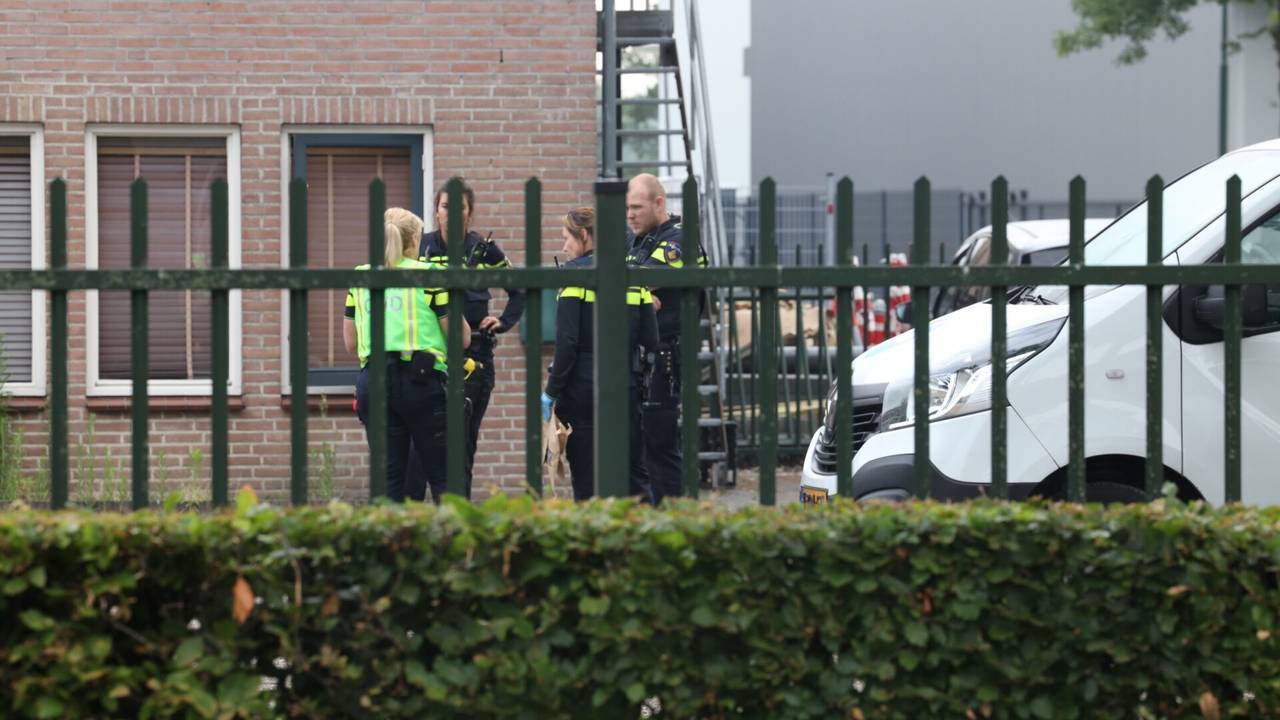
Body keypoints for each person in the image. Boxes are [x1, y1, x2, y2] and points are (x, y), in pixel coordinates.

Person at [343, 207, 469, 503]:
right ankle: (455, 545)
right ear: (414, 241)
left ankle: (391, 546)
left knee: (389, 481)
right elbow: (461, 338)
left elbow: (351, 343)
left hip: (373, 383)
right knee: (444, 477)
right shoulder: (430, 275)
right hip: (421, 383)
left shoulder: (361, 278)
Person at [412, 180, 527, 499]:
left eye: (459, 208)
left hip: (475, 359)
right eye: (446, 206)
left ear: (470, 213)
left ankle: (456, 514)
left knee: (461, 447)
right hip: (429, 358)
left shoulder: (484, 249)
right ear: (437, 211)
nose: (451, 214)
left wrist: (503, 321)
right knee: (422, 448)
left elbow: (520, 290)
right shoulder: (423, 248)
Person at [541, 207, 658, 501]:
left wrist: (551, 392)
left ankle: (595, 541)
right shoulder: (631, 276)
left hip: (584, 391)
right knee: (634, 476)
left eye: (567, 237)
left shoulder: (574, 277)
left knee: (588, 481)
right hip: (626, 387)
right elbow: (651, 339)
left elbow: (567, 343)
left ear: (584, 235)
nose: (564, 245)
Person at [624, 173, 708, 503]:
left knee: (660, 442)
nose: (629, 214)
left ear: (659, 203)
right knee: (639, 443)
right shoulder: (637, 240)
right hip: (639, 358)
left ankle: (677, 516)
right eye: (627, 208)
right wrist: (639, 294)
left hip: (666, 356)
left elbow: (640, 277)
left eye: (636, 207)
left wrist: (635, 290)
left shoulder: (678, 239)